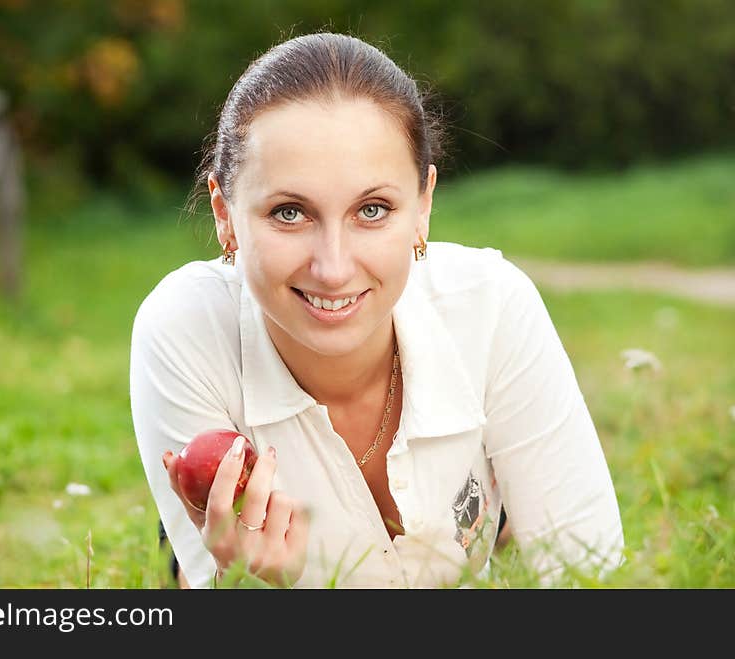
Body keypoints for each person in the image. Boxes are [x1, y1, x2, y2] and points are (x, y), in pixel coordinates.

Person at [130, 32, 624, 589]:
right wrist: (253, 585)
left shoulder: (490, 305)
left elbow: (592, 578)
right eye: (290, 213)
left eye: (372, 209)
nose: (334, 268)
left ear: (424, 206)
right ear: (225, 215)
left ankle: (490, 512)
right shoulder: (185, 330)